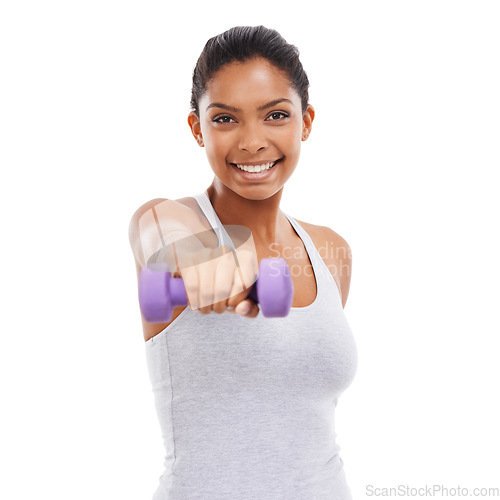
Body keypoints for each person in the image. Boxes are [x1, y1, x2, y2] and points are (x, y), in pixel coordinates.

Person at [129, 25, 358, 499]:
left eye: (275, 114)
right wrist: (194, 258)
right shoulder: (175, 221)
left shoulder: (330, 252)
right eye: (226, 119)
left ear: (306, 121)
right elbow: (154, 229)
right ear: (198, 128)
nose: (252, 142)